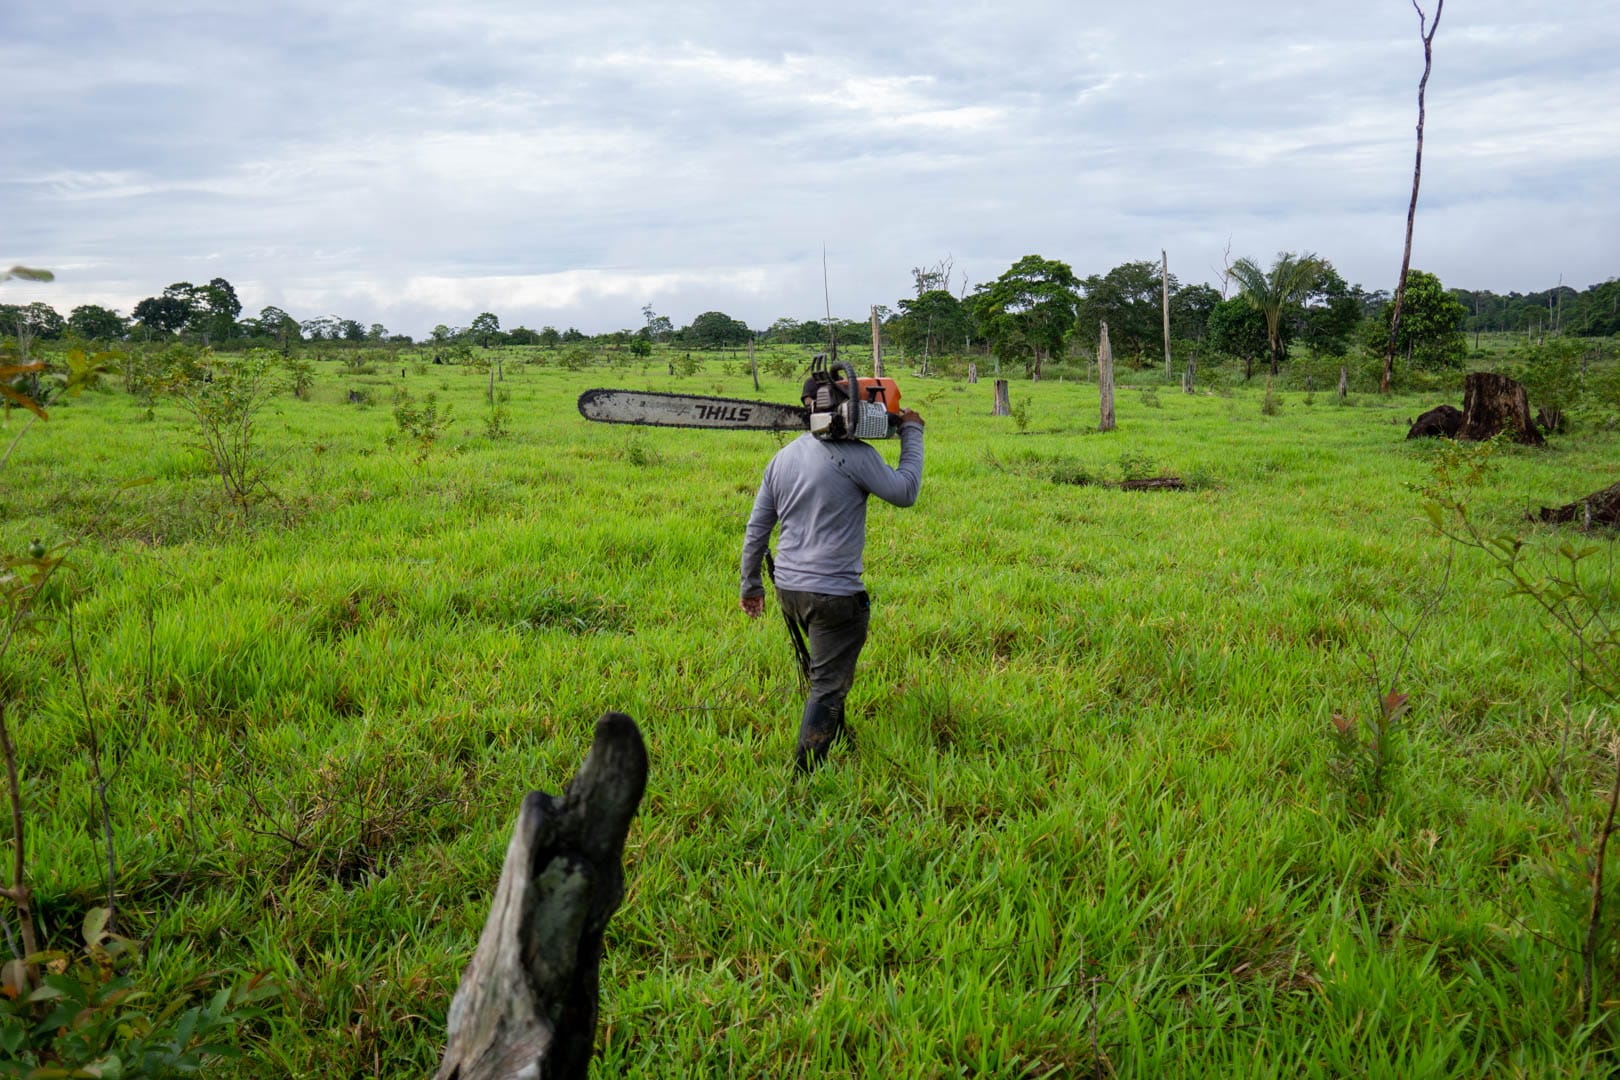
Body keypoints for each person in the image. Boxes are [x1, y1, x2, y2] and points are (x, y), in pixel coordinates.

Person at [739, 378, 925, 772]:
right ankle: (806, 774)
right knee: (827, 683)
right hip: (834, 595)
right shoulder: (857, 456)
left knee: (825, 669)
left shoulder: (783, 457)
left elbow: (757, 528)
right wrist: (912, 433)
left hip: (789, 590)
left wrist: (750, 583)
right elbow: (906, 492)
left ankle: (839, 735)